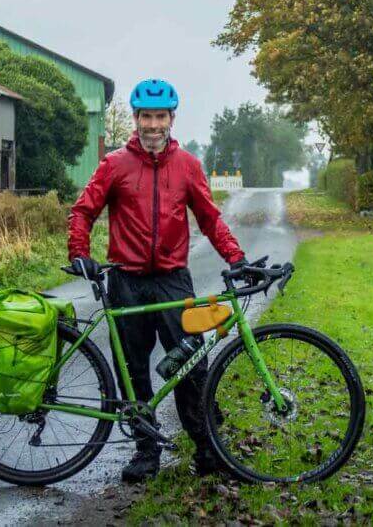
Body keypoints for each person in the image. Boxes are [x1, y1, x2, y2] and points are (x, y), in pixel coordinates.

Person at [67, 78, 246, 482]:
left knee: (191, 366)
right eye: (145, 116)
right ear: (135, 119)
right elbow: (82, 211)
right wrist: (79, 253)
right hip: (126, 281)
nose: (152, 125)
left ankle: (206, 448)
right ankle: (146, 452)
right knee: (134, 372)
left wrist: (236, 257)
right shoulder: (114, 164)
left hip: (173, 282)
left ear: (171, 119)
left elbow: (210, 219)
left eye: (159, 117)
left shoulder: (187, 166)